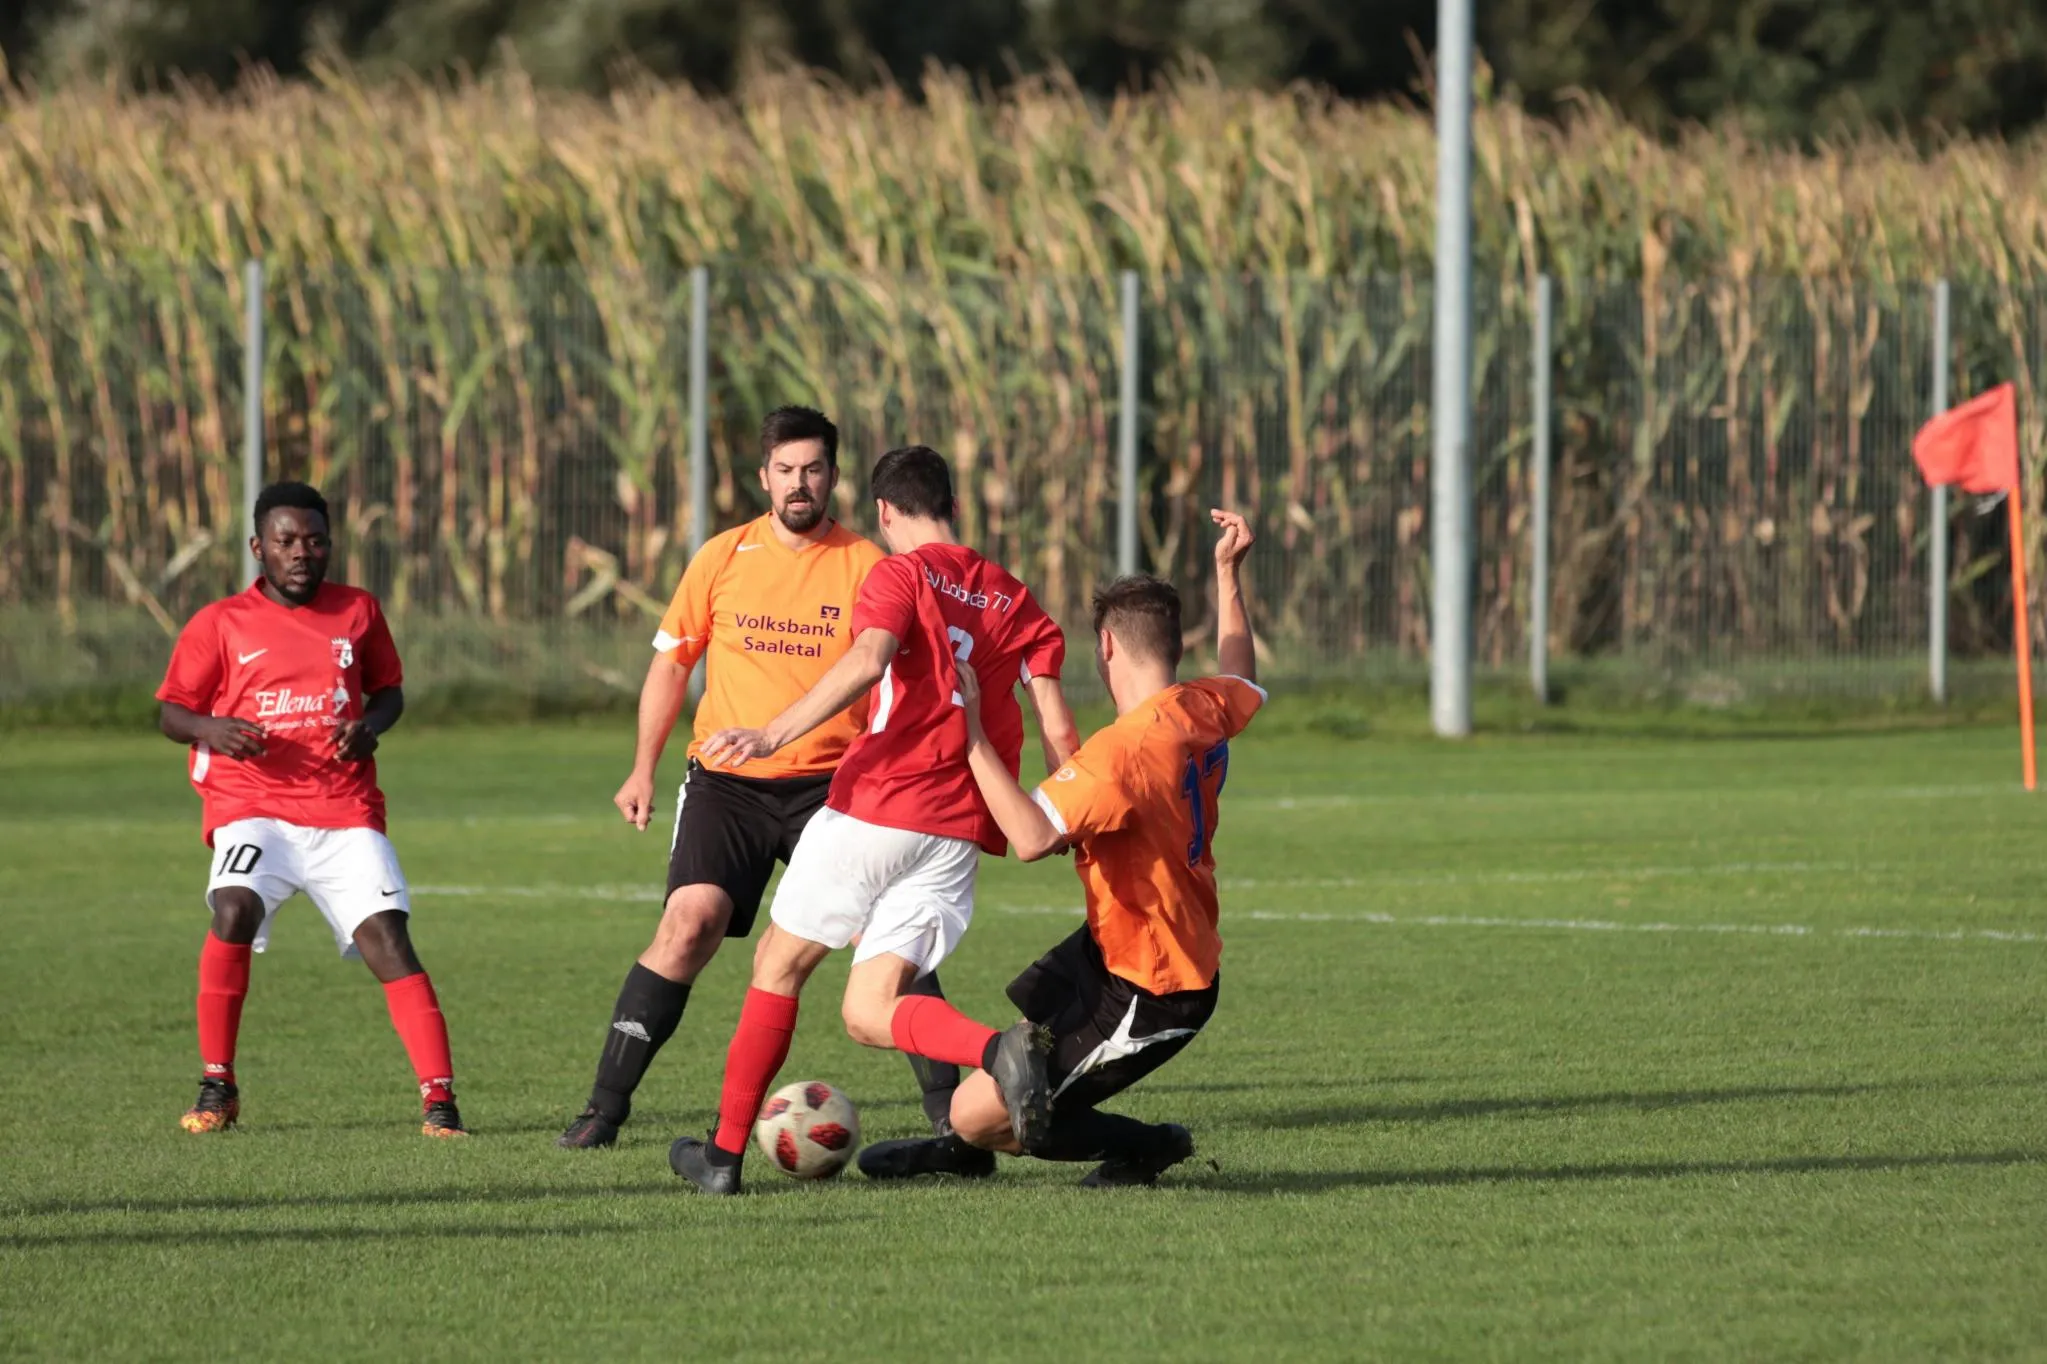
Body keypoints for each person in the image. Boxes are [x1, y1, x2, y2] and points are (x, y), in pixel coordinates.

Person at [558, 405, 982, 1149]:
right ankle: (603, 1108)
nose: (798, 483)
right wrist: (641, 768)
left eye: (812, 469)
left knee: (887, 940)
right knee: (689, 923)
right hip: (728, 783)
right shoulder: (722, 557)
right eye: (785, 470)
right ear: (763, 476)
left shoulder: (870, 565)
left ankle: (949, 1115)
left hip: (837, 787)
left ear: (834, 476)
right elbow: (672, 664)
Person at [666, 444, 1082, 1195]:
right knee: (869, 1011)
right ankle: (1000, 1051)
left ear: (884, 512)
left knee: (777, 967)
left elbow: (867, 659)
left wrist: (772, 733)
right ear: (953, 508)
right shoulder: (1017, 600)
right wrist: (1067, 813)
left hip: (879, 806)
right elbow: (1055, 723)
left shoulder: (898, 573)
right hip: (957, 831)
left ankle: (722, 1159)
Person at [859, 508, 1263, 1187]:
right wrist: (1227, 574)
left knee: (1017, 1117)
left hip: (1155, 986)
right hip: (1113, 949)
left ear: (1105, 647)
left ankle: (1149, 1147)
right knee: (991, 1089)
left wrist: (972, 735)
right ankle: (965, 1143)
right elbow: (1243, 676)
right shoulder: (1199, 705)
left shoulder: (1123, 753)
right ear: (1171, 645)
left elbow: (1030, 838)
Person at [156, 481, 464, 1138]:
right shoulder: (220, 622)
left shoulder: (357, 610)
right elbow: (172, 712)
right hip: (253, 807)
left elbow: (388, 693)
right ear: (258, 547)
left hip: (343, 809)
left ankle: (440, 1102)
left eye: (315, 541)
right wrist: (211, 729)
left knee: (388, 938)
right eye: (287, 541)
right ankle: (217, 1084)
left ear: (329, 546)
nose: (302, 552)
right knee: (233, 907)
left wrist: (370, 727)